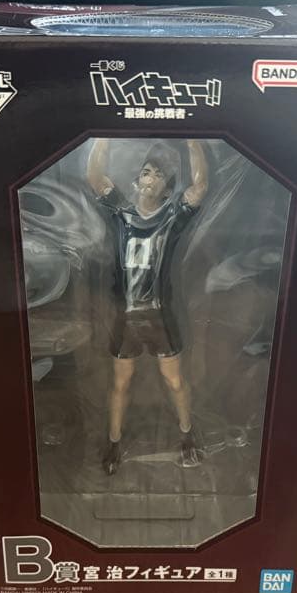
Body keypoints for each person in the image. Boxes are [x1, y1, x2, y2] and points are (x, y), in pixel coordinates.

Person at [86, 138, 209, 475]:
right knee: (120, 383)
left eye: (158, 174)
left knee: (174, 381)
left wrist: (193, 139)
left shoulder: (172, 215)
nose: (150, 177)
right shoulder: (120, 212)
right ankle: (114, 441)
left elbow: (199, 187)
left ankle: (187, 434)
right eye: (145, 172)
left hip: (160, 315)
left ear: (166, 188)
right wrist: (102, 136)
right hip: (125, 316)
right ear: (137, 181)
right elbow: (95, 177)